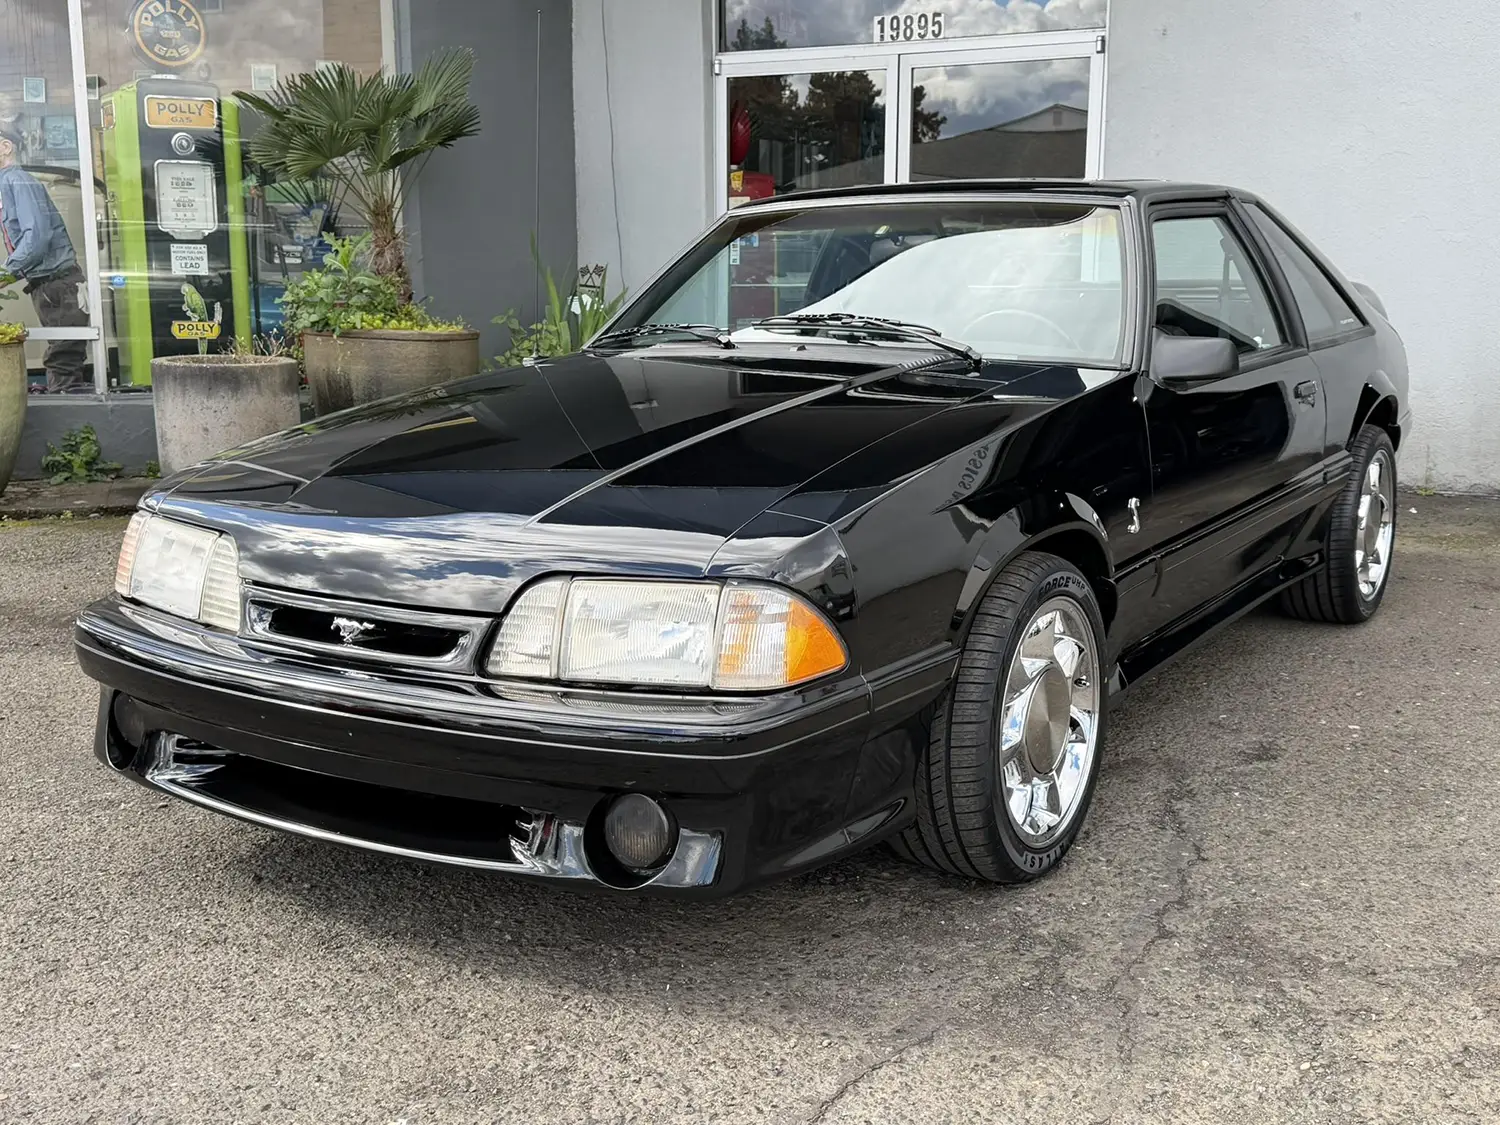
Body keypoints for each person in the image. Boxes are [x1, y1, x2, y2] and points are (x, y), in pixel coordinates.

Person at [0, 122, 89, 393]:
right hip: (48, 285)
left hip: (57, 284)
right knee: (61, 354)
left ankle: (68, 423)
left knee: (63, 357)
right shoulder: (9, 183)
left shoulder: (18, 181)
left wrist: (5, 275)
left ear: (5, 147)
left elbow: (36, 237)